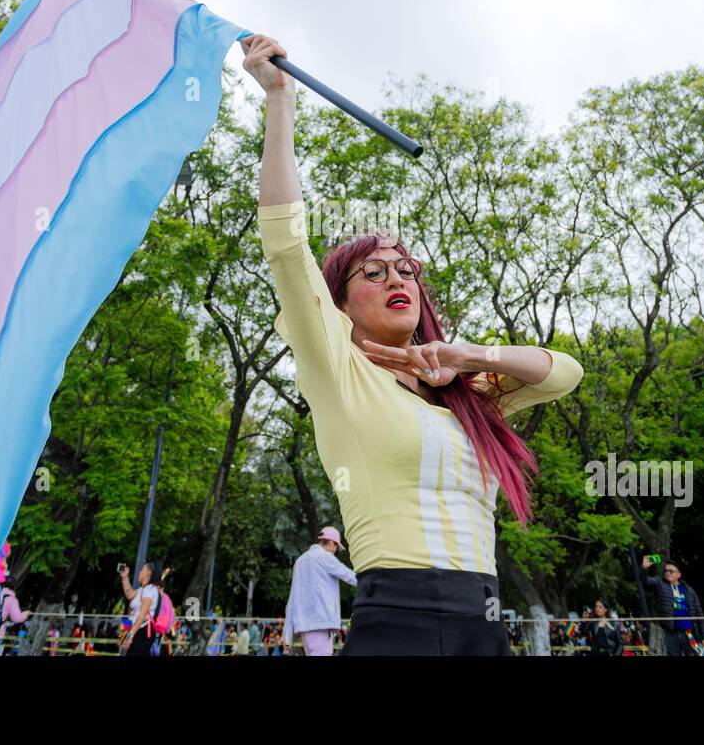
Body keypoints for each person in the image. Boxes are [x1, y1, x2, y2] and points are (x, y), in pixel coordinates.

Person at [243, 34, 585, 655]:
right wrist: (280, 100)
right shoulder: (338, 369)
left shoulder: (469, 394)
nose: (396, 279)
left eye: (406, 270)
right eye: (372, 272)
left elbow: (563, 372)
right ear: (340, 304)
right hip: (398, 620)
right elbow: (286, 245)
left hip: (485, 624)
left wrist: (470, 357)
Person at [281, 526, 357, 656]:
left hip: (305, 626)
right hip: (320, 622)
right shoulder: (325, 557)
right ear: (332, 543)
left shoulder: (300, 561)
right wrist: (374, 581)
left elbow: (292, 599)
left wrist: (287, 634)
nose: (336, 552)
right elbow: (351, 577)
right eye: (337, 548)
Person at [640, 555, 704, 656]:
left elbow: (700, 614)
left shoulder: (689, 590)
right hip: (670, 633)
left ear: (679, 574)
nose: (667, 573)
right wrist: (644, 568)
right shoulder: (659, 583)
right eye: (666, 571)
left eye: (671, 571)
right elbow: (645, 581)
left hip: (689, 633)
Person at [119, 559, 161, 656]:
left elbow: (142, 615)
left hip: (142, 630)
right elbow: (129, 594)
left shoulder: (149, 589)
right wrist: (124, 577)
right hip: (133, 627)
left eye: (142, 570)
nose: (139, 572)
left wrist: (130, 636)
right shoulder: (143, 589)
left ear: (149, 573)